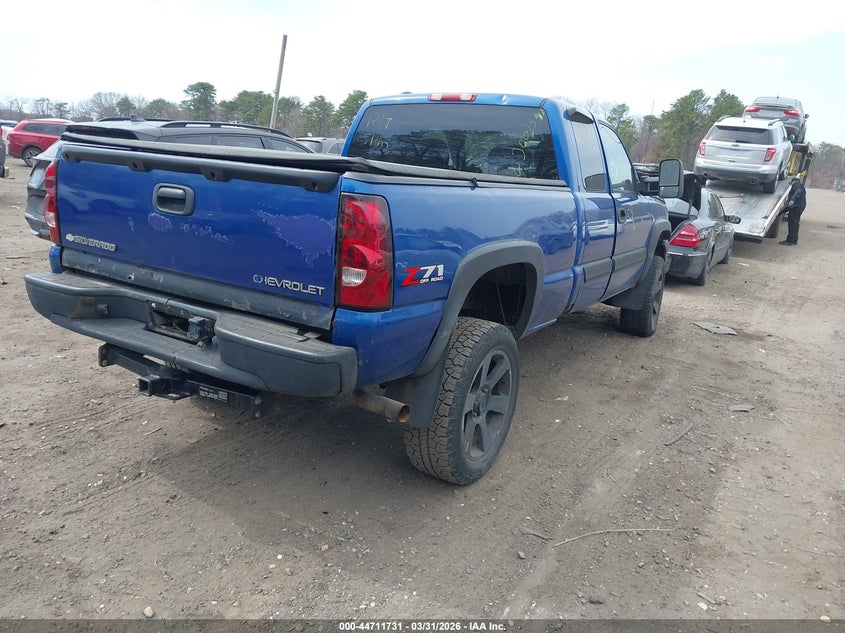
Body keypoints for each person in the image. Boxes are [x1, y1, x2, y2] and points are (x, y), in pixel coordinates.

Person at [780, 175, 807, 246]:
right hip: (799, 207)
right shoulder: (801, 186)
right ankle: (794, 239)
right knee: (795, 224)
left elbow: (798, 192)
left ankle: (790, 241)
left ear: (793, 181)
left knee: (792, 223)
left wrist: (792, 199)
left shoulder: (796, 184)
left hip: (796, 207)